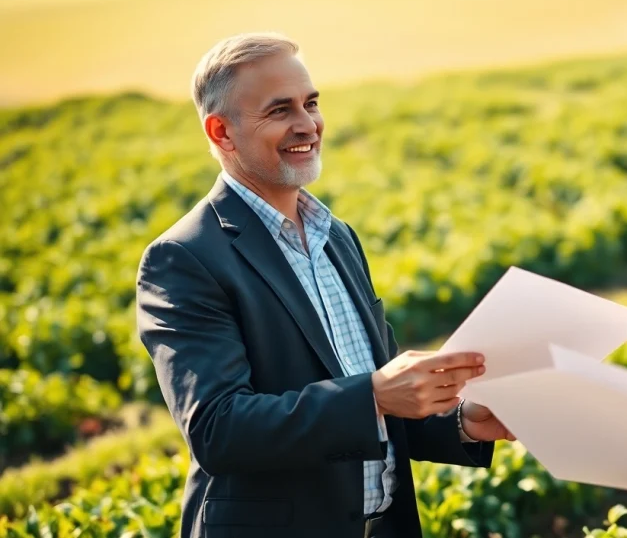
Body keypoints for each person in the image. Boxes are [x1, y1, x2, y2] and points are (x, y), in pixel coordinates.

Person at [135, 33, 515, 538]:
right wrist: (376, 396)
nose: (307, 124)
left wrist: (462, 420)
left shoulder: (336, 236)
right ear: (221, 131)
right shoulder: (184, 258)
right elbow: (219, 429)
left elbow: (374, 394)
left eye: (311, 103)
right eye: (279, 110)